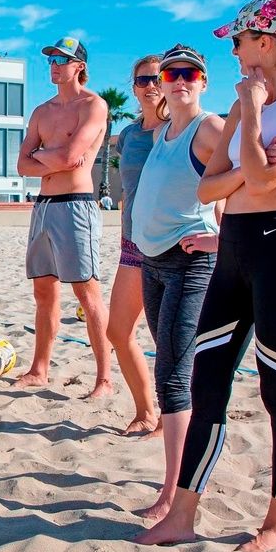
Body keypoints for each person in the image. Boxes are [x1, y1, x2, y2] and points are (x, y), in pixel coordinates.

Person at [136, 0, 276, 552]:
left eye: (239, 41)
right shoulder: (243, 103)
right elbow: (209, 187)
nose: (235, 52)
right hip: (234, 256)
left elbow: (264, 180)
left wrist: (251, 119)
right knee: (207, 386)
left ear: (265, 42)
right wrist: (255, 155)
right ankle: (182, 516)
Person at [129, 45, 224, 520]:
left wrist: (221, 238)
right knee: (170, 369)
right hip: (153, 263)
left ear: (203, 82)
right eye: (171, 74)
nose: (179, 80)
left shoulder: (210, 128)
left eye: (190, 73)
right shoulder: (165, 131)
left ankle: (173, 493)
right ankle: (177, 481)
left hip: (188, 265)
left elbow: (249, 184)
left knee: (172, 377)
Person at [15, 37, 112, 398]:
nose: (54, 65)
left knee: (87, 293)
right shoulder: (42, 111)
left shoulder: (93, 105)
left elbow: (72, 158)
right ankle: (39, 369)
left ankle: (104, 379)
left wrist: (44, 155)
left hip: (76, 204)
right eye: (51, 59)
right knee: (43, 290)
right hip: (44, 205)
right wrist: (53, 158)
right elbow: (22, 165)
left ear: (79, 67)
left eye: (62, 59)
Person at [108, 55, 164, 435]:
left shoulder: (183, 129)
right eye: (143, 80)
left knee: (169, 341)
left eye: (158, 78)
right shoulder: (129, 135)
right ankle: (146, 412)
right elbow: (128, 188)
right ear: (134, 87)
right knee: (118, 330)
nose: (151, 86)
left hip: (172, 244)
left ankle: (173, 417)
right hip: (133, 243)